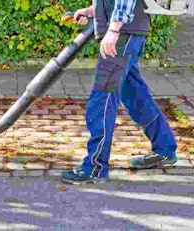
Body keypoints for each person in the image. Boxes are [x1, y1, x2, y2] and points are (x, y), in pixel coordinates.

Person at [61, 0, 178, 185]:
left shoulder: (118, 29)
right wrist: (93, 11)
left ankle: (95, 167)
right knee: (134, 94)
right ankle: (165, 149)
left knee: (102, 98)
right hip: (131, 32)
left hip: (123, 33)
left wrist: (114, 29)